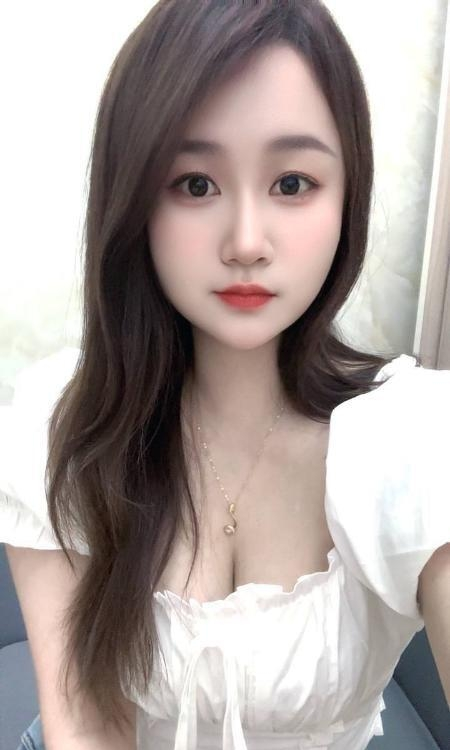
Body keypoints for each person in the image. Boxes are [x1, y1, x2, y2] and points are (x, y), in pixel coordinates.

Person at [2, 1, 449, 749]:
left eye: (293, 184)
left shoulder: (411, 439)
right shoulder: (65, 426)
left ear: (349, 197)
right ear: (133, 201)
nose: (246, 242)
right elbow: (86, 725)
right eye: (195, 184)